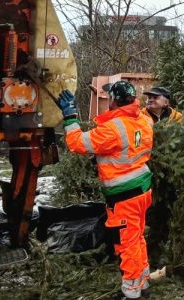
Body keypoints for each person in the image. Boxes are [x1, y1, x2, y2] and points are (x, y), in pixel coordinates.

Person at [57, 81, 154, 299]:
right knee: (137, 237)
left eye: (110, 95)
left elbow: (77, 143)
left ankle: (132, 293)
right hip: (142, 189)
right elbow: (125, 149)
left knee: (127, 244)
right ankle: (143, 281)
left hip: (124, 195)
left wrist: (70, 116)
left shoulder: (113, 129)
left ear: (115, 100)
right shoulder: (144, 120)